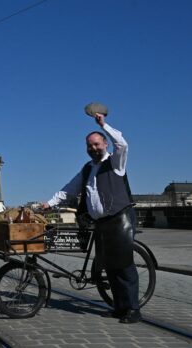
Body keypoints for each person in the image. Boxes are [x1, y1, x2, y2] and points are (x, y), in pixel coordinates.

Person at [41, 111, 141, 324]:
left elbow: (123, 144)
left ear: (105, 144)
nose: (93, 148)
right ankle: (119, 306)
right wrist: (49, 203)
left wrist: (104, 125)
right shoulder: (87, 168)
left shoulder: (115, 162)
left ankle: (133, 309)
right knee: (110, 266)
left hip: (119, 217)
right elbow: (69, 189)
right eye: (89, 145)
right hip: (101, 222)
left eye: (96, 144)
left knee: (123, 264)